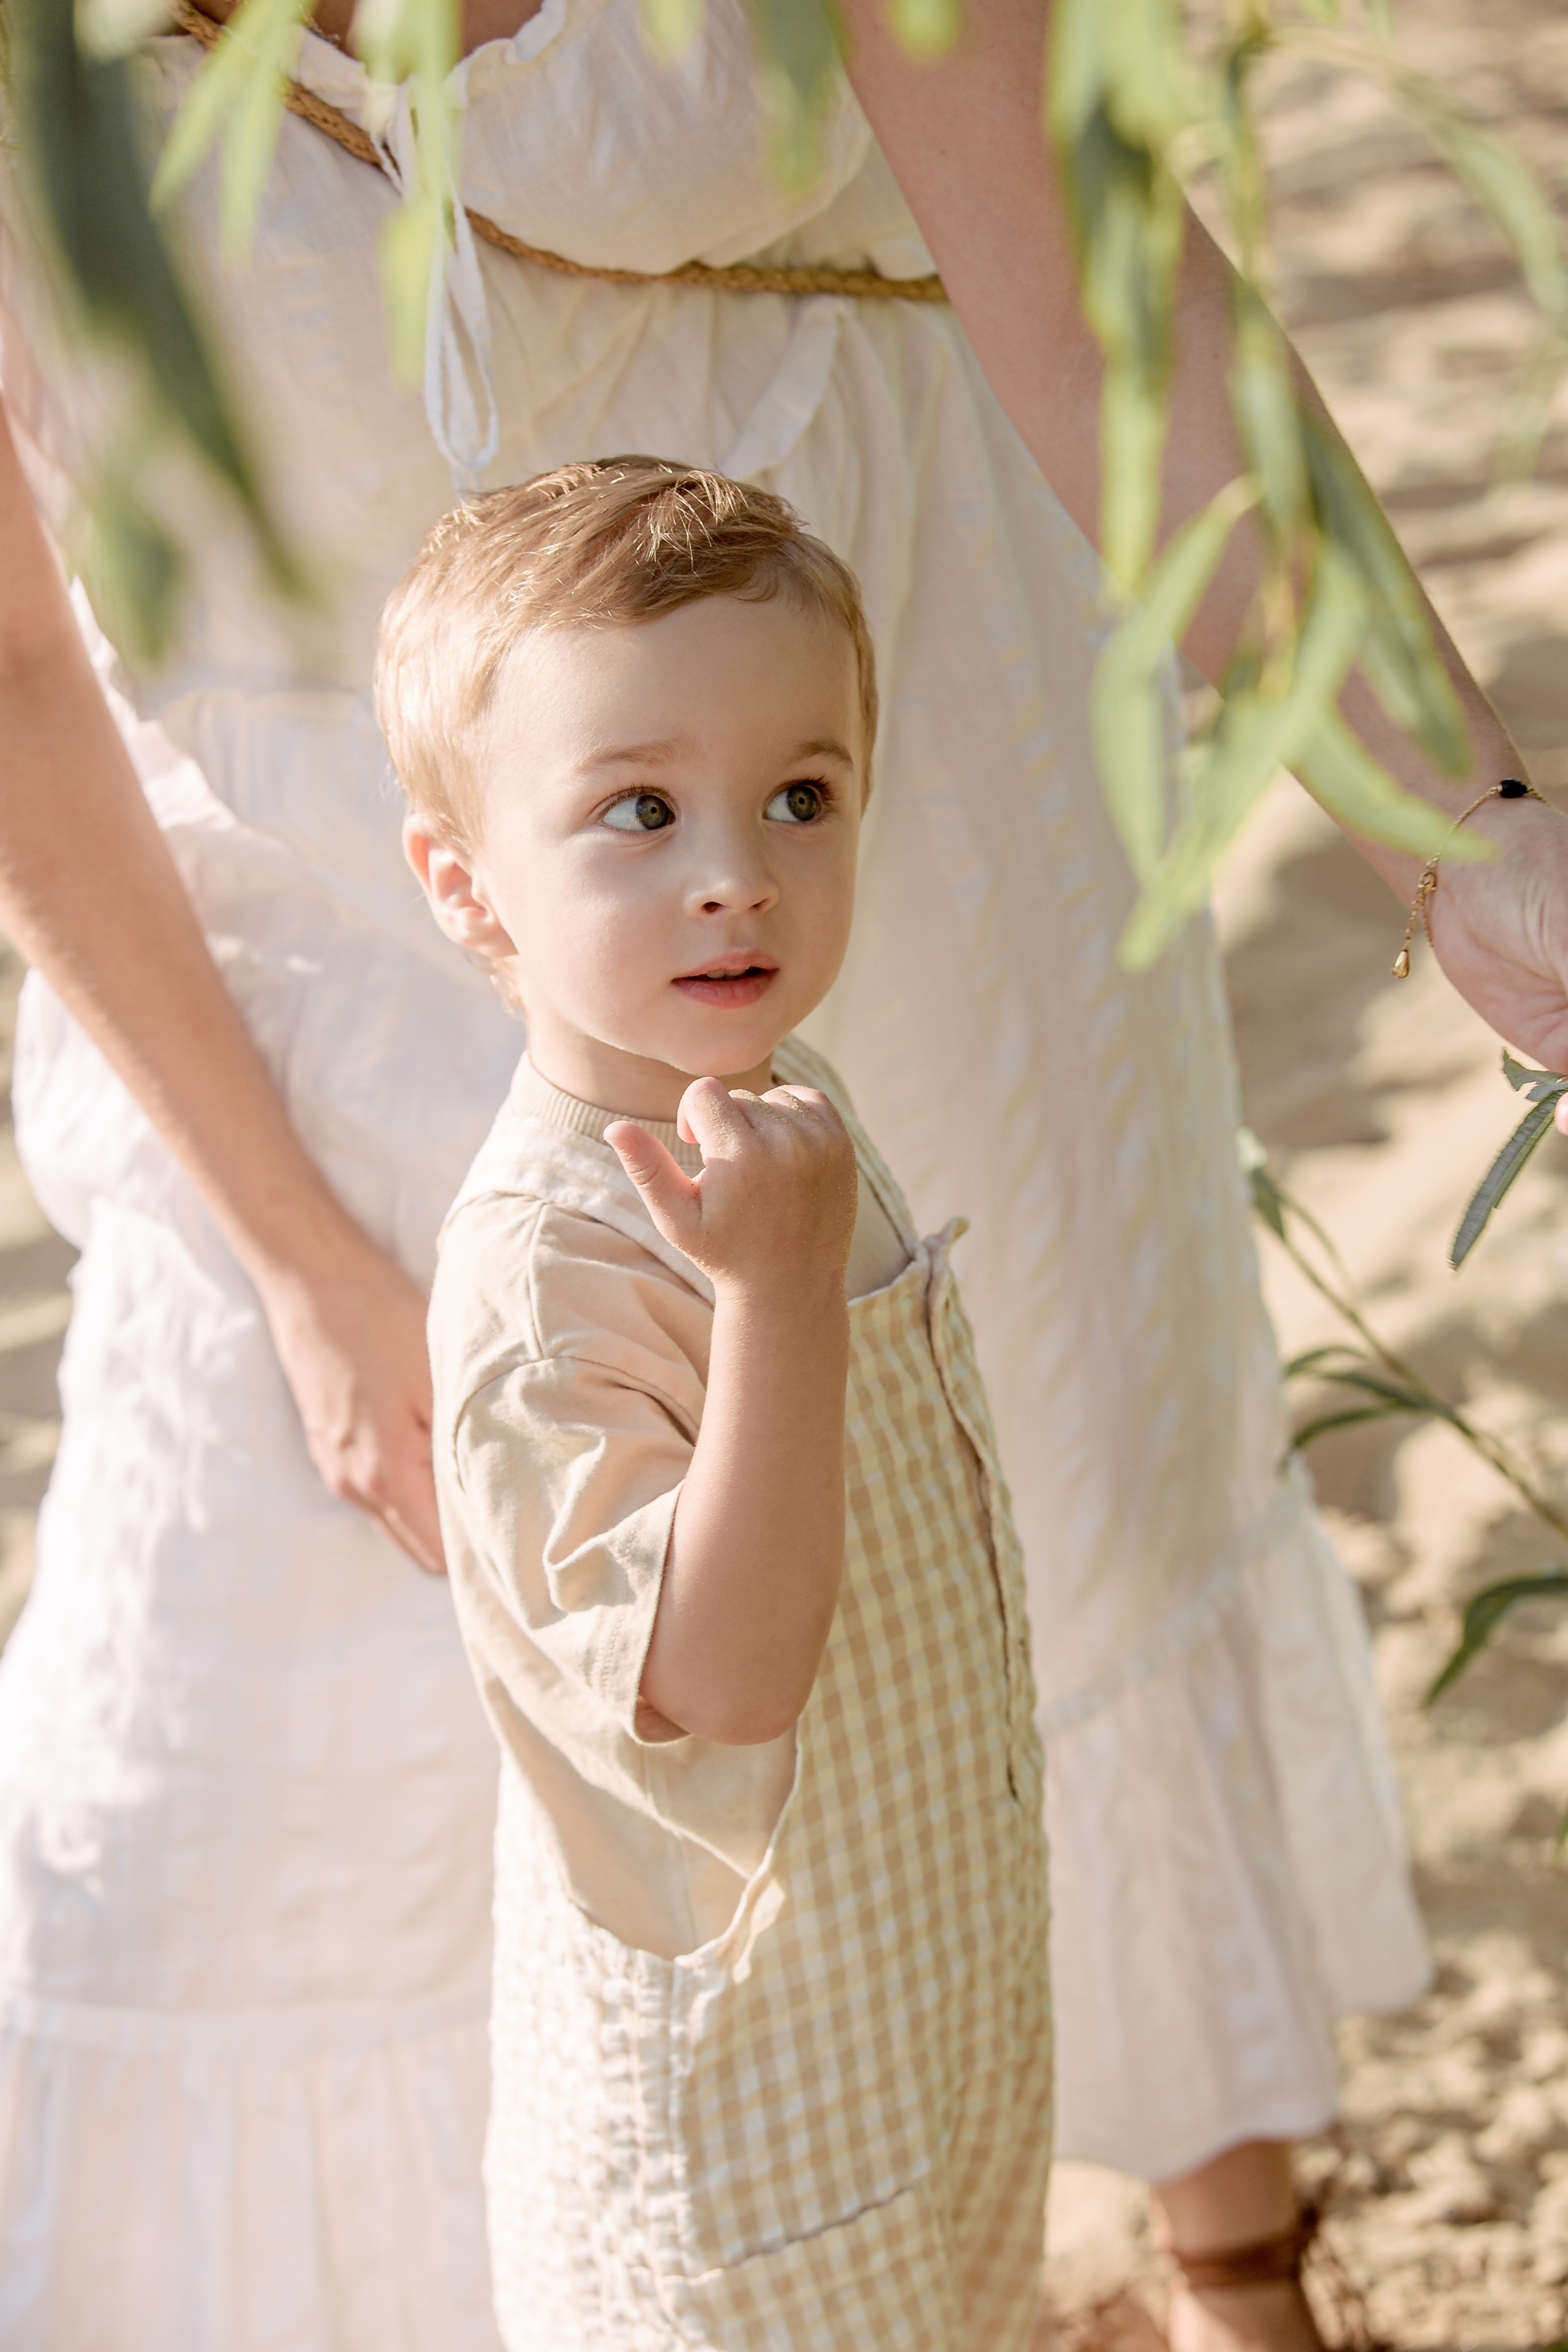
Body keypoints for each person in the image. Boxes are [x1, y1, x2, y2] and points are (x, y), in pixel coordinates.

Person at [0, 3, 1562, 2346]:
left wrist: (1468, 841)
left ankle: (1236, 2257)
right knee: (234, 1809)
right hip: (326, 918)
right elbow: (23, 663)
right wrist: (303, 1258)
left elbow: (1110, 294)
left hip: (874, 833)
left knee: (1041, 1548)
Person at [388, 453, 1053, 2350]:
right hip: (752, 2103)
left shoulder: (778, 1100)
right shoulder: (548, 1269)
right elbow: (719, 1683)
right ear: (470, 887)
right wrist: (774, 1287)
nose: (737, 872)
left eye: (801, 794)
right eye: (636, 810)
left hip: (925, 1977)